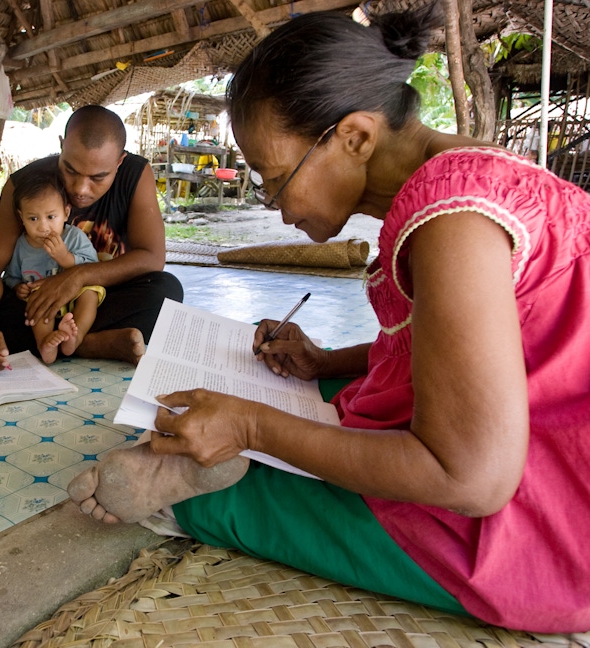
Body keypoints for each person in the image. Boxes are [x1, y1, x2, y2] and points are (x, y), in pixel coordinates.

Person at [67, 7, 590, 635]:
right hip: (542, 424)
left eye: (274, 179)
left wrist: (255, 426)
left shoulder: (454, 223)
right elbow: (479, 350)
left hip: (548, 519)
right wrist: (327, 361)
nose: (275, 206)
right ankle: (245, 445)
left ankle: (222, 487)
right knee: (334, 396)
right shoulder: (474, 174)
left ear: (356, 138)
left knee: (245, 489)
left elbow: (473, 478)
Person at [0, 105, 184, 373]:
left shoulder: (135, 175)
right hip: (35, 302)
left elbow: (151, 257)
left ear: (119, 162)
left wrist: (77, 277)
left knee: (166, 291)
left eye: (98, 177)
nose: (80, 189)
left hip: (97, 298)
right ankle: (90, 344)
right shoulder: (26, 185)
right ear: (61, 146)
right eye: (70, 170)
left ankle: (60, 341)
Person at [4, 167, 104, 364]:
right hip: (43, 300)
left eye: (51, 217)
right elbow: (10, 276)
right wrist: (18, 287)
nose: (43, 227)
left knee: (91, 293)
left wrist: (65, 258)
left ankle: (76, 337)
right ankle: (45, 344)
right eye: (33, 218)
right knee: (37, 302)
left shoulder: (73, 236)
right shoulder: (21, 246)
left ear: (66, 213)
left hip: (75, 296)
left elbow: (94, 267)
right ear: (21, 217)